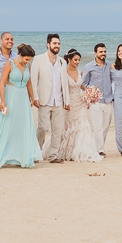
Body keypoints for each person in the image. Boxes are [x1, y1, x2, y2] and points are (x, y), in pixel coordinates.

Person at [0, 44, 43, 168]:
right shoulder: (10, 64)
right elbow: (2, 83)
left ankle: (20, 156)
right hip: (10, 97)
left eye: (29, 60)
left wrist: (32, 97)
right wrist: (3, 101)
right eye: (26, 59)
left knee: (21, 127)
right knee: (2, 127)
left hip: (23, 100)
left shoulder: (28, 66)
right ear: (20, 55)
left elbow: (29, 83)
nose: (27, 61)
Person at [55, 49, 102, 162]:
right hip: (69, 103)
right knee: (68, 127)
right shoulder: (63, 72)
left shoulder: (79, 72)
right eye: (75, 60)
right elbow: (61, 89)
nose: (77, 62)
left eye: (79, 60)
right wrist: (64, 103)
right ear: (69, 59)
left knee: (83, 125)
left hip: (80, 102)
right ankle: (68, 151)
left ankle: (83, 151)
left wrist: (89, 93)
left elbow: (80, 85)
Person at [31, 33, 70, 163]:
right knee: (42, 128)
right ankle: (36, 152)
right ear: (48, 45)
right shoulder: (38, 59)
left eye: (58, 43)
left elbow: (64, 82)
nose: (57, 46)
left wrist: (67, 101)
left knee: (57, 130)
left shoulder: (62, 62)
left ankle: (53, 155)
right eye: (54, 43)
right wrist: (34, 97)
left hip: (58, 100)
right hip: (43, 99)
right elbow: (33, 80)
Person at [82, 43, 113, 156]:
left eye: (104, 51)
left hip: (109, 100)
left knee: (105, 127)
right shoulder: (89, 67)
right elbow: (84, 83)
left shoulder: (110, 65)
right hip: (96, 102)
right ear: (95, 53)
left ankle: (100, 147)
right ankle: (99, 150)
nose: (103, 53)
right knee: (98, 126)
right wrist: (89, 96)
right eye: (100, 52)